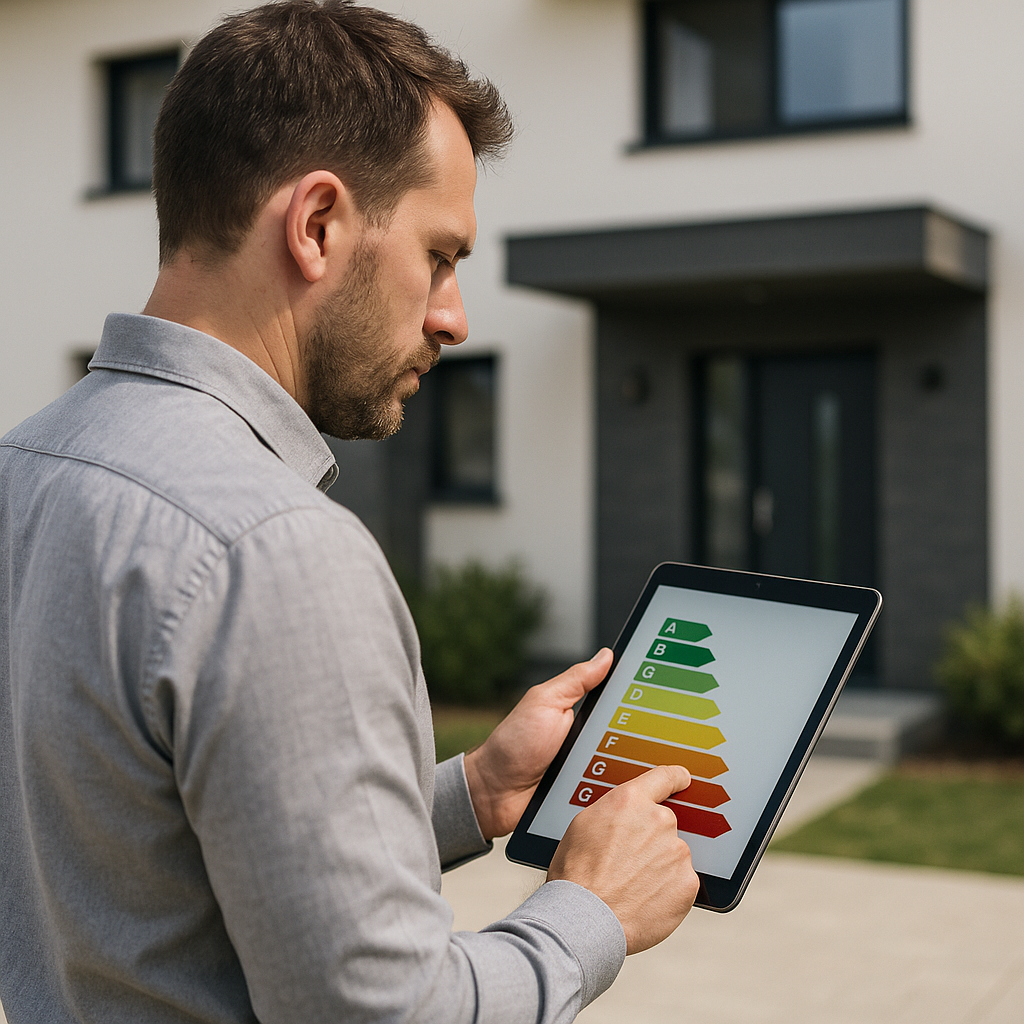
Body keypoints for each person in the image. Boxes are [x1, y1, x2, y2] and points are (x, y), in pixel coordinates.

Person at [0, 2, 699, 1021]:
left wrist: (473, 794)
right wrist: (589, 909)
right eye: (441, 255)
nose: (453, 316)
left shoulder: (26, 466)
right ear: (317, 224)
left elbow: (155, 858)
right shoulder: (274, 550)